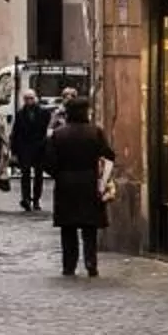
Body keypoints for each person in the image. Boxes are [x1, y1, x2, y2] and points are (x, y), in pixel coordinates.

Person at [44, 90, 117, 277]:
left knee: (68, 228)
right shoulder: (95, 132)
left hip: (66, 183)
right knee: (89, 227)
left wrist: (59, 174)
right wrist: (101, 175)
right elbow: (109, 155)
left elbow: (49, 162)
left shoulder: (59, 135)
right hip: (89, 182)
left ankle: (69, 265)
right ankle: (91, 263)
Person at [10, 88, 50, 211]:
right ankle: (26, 198)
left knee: (38, 175)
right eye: (27, 99)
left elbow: (46, 131)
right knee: (25, 174)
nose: (29, 101)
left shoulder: (43, 113)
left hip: (39, 147)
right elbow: (15, 133)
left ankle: (36, 199)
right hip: (25, 148)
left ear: (35, 98)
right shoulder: (20, 114)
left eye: (31, 98)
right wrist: (14, 151)